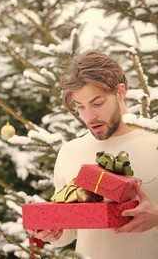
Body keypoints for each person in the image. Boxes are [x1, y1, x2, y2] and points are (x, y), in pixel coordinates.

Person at [28, 51, 158, 259]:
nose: (89, 116)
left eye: (97, 104)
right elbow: (69, 230)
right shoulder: (70, 152)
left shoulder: (154, 144)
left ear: (120, 92)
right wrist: (52, 232)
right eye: (81, 107)